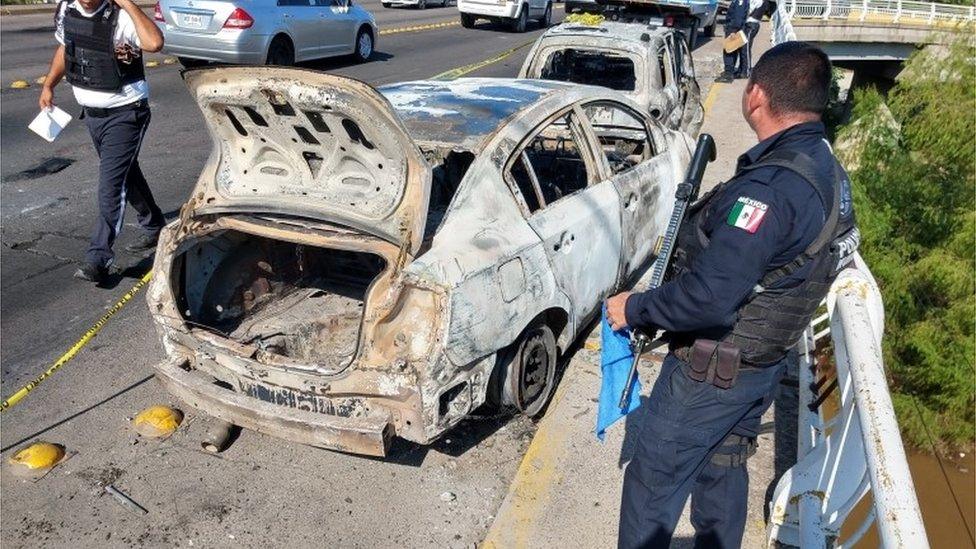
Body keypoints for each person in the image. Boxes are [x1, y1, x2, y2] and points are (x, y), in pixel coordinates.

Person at [606, 42, 859, 549]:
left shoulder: (768, 190)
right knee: (722, 465)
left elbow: (707, 298)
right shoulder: (824, 164)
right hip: (759, 363)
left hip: (712, 371)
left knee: (652, 481)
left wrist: (632, 307)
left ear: (756, 95)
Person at [39, 0, 165, 284]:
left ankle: (99, 256)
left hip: (126, 113)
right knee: (124, 174)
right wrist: (49, 84)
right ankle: (154, 223)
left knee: (110, 184)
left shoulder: (121, 16)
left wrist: (129, 5)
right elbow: (66, 47)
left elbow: (155, 43)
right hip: (93, 115)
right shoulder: (66, 10)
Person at [717, 0, 748, 83]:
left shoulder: (740, 1)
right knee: (732, 50)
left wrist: (733, 31)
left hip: (733, 28)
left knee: (729, 51)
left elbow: (738, 17)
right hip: (734, 28)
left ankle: (728, 75)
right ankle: (729, 72)